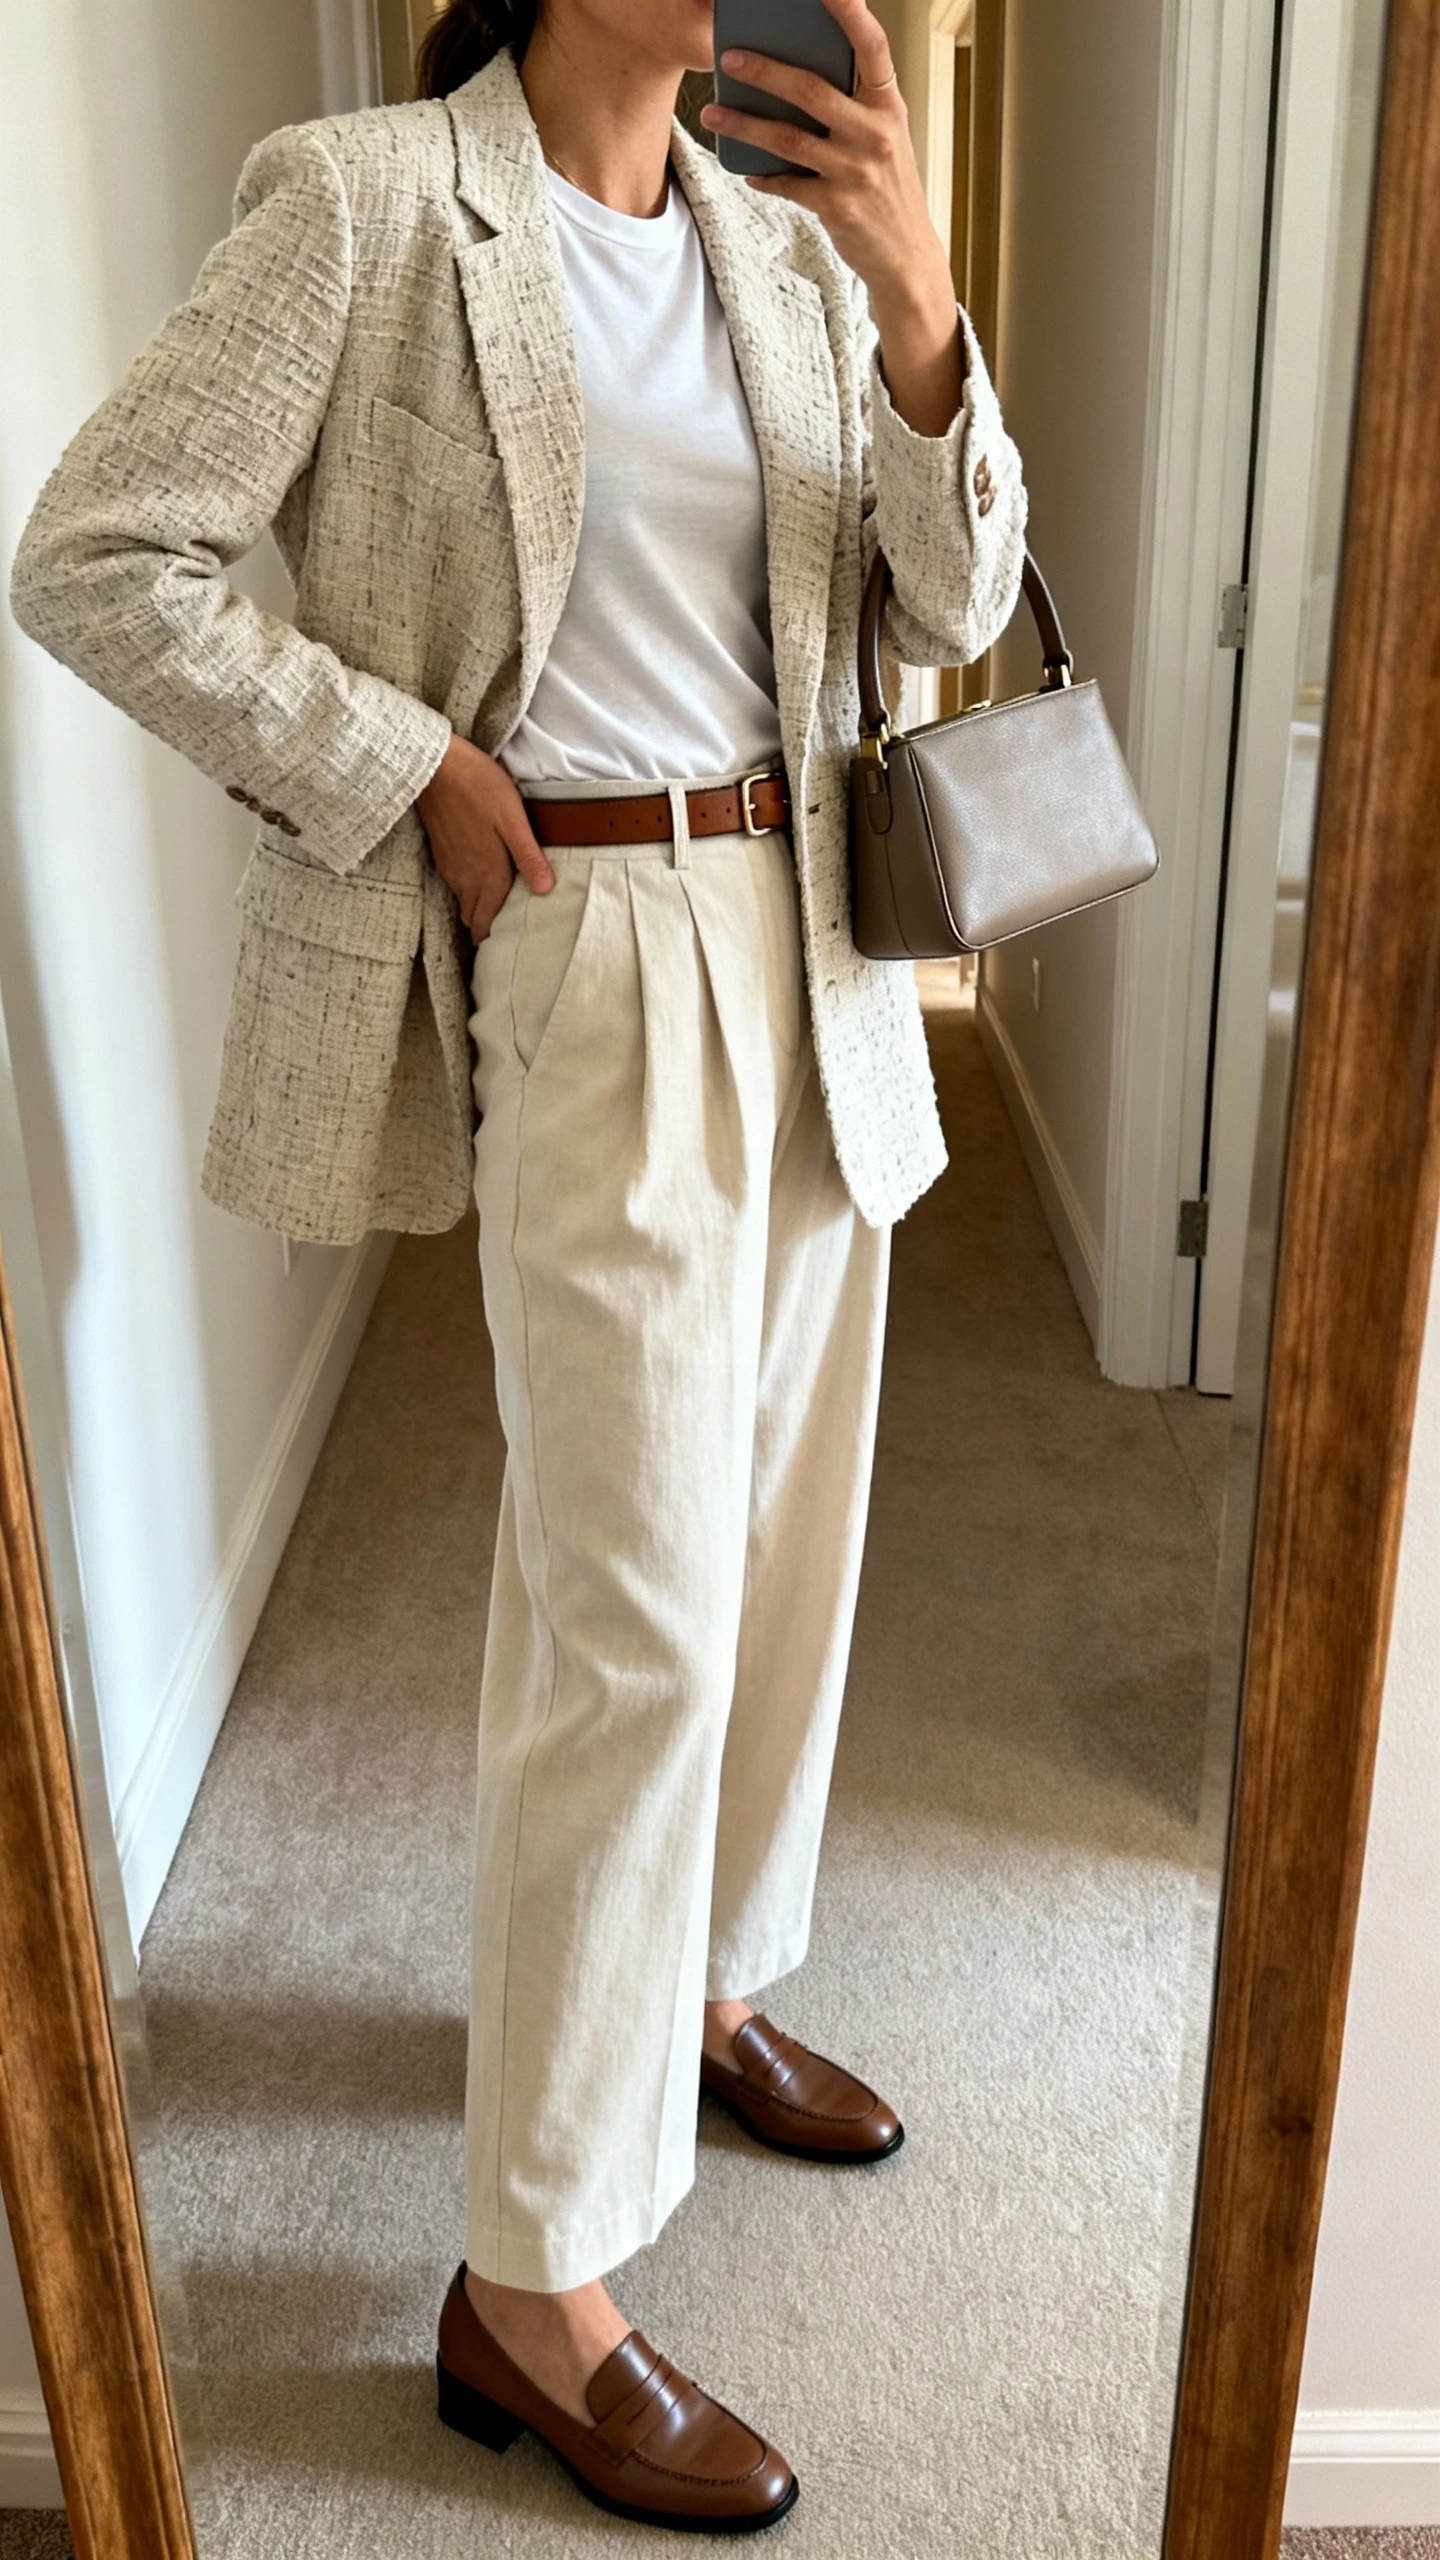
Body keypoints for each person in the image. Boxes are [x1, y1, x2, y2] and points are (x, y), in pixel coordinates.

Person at [11, 0, 1025, 2530]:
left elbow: (952, 600)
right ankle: (530, 2278)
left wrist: (923, 310)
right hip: (592, 939)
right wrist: (412, 767)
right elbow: (99, 552)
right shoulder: (370, 204)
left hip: (826, 940)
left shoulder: (789, 248)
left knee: (780, 1542)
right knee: (633, 1605)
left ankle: (701, 1982)